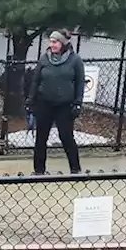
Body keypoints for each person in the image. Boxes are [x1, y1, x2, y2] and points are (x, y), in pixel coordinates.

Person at [26, 30, 85, 174]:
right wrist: (30, 100)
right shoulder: (44, 59)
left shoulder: (75, 60)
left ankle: (75, 169)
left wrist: (78, 103)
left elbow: (80, 83)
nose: (51, 45)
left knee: (66, 137)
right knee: (41, 138)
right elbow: (36, 81)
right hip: (44, 103)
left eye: (55, 42)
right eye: (50, 41)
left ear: (63, 43)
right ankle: (39, 170)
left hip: (65, 105)